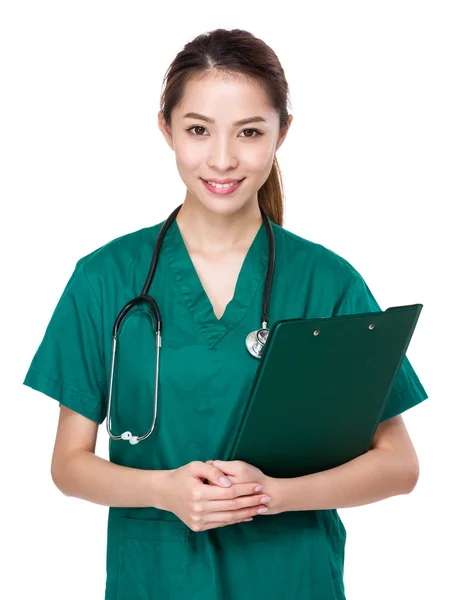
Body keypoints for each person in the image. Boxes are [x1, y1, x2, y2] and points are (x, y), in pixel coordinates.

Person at [23, 28, 428, 600]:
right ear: (165, 129)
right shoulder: (106, 279)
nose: (222, 159)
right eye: (197, 130)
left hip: (290, 579)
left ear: (282, 133)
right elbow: (68, 465)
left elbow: (399, 466)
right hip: (156, 580)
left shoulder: (327, 282)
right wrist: (165, 491)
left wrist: (271, 495)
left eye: (250, 132)